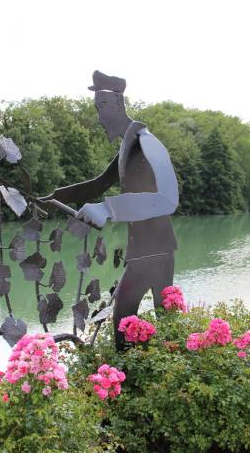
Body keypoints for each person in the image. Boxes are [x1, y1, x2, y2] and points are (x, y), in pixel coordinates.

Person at [40, 71, 179, 349]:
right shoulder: (128, 148)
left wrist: (108, 208)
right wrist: (54, 197)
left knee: (128, 322)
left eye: (99, 110)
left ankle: (129, 380)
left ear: (114, 106)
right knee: (154, 323)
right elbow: (98, 184)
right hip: (144, 250)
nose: (98, 119)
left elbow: (168, 199)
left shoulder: (148, 143)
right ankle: (147, 376)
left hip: (156, 252)